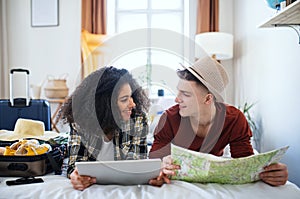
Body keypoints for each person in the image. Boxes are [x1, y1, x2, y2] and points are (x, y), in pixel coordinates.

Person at [148, 56, 288, 187]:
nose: (177, 99)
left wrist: (272, 172)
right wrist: (161, 163)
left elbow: (245, 163)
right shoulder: (170, 118)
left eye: (186, 94)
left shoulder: (234, 119)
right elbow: (154, 158)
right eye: (178, 91)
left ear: (208, 99)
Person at [60, 66, 150, 190]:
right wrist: (76, 177)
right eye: (124, 100)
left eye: (131, 97)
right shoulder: (81, 122)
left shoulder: (138, 119)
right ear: (106, 105)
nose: (133, 104)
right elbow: (75, 164)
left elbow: (137, 165)